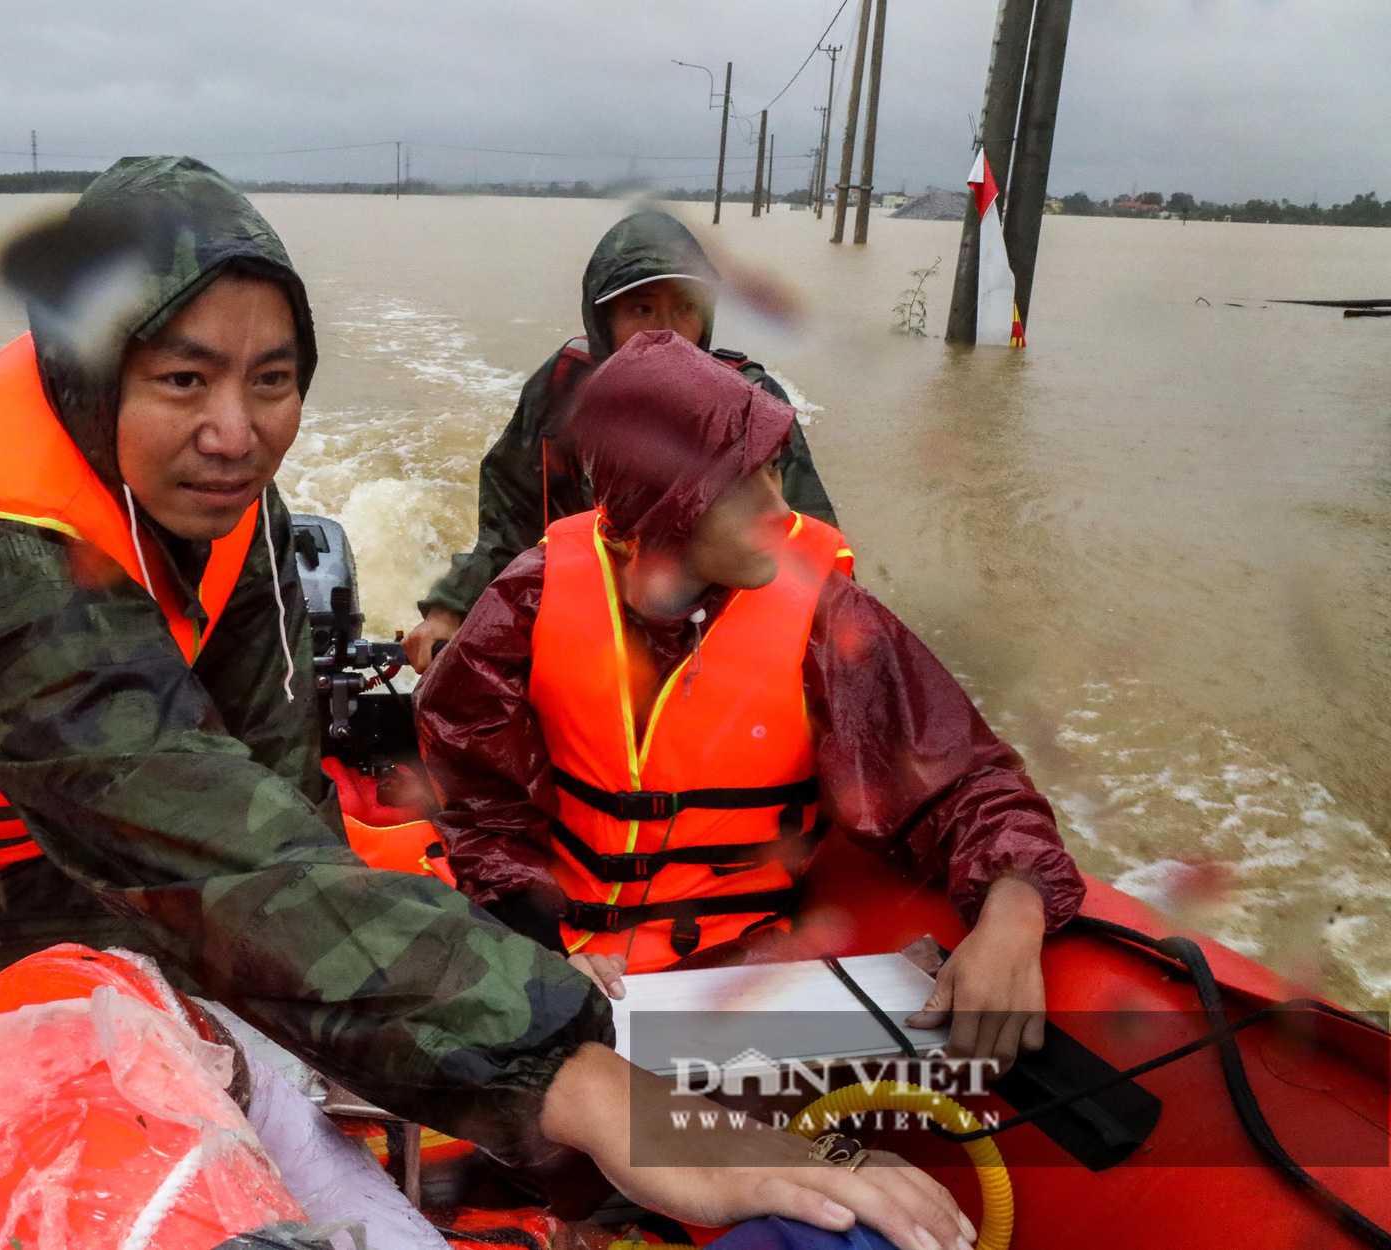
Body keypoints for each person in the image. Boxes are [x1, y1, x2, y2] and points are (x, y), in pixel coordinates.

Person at [0, 158, 970, 1250]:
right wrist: (582, 1082)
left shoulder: (226, 505)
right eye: (182, 381)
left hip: (73, 807)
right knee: (231, 934)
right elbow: (218, 878)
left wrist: (376, 963)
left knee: (337, 887)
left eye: (272, 378)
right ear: (94, 374)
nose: (237, 433)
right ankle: (407, 1160)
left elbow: (273, 786)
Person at [417, 330, 1084, 1070]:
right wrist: (539, 949)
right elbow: (477, 799)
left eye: (775, 471)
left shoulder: (826, 617)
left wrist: (1016, 907)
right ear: (662, 509)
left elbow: (965, 782)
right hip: (567, 952)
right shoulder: (530, 599)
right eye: (745, 487)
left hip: (742, 972)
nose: (779, 508)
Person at [403, 209, 838, 672]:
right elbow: (510, 523)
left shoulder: (754, 405)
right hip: (583, 636)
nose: (667, 331)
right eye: (642, 309)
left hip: (712, 649)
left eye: (686, 307)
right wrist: (450, 611)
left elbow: (811, 548)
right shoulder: (561, 391)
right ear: (602, 321)